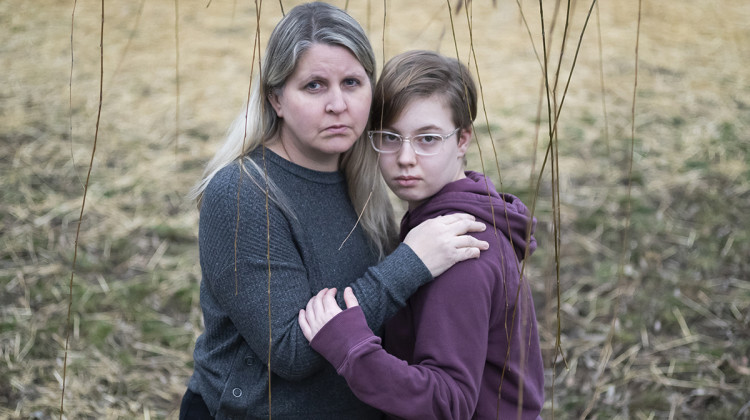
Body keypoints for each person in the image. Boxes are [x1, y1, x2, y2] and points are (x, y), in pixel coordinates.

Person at [179, 4, 490, 419]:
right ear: (276, 98)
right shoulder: (242, 193)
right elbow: (291, 351)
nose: (338, 104)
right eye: (314, 86)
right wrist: (410, 264)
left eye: (351, 82)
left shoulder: (364, 177)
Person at [299, 50, 545, 419]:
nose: (405, 158)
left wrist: (352, 347)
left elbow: (449, 402)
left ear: (463, 140)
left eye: (427, 138)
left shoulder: (463, 250)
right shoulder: (439, 223)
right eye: (390, 137)